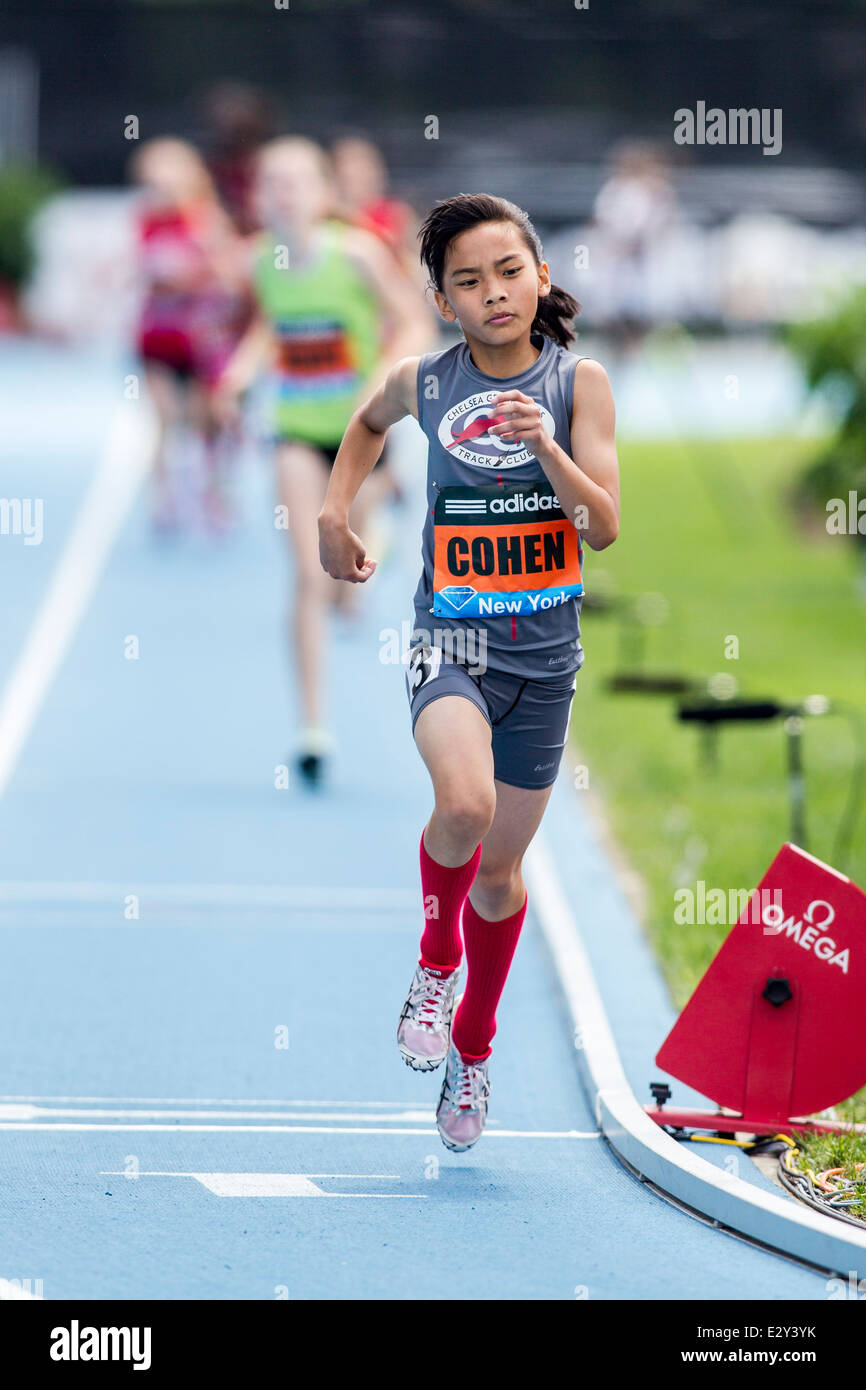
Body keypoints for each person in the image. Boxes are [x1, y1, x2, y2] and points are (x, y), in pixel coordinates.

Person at [318, 193, 620, 1151]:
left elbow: (603, 526)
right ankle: (433, 957)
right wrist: (335, 512)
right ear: (444, 302)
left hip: (546, 662)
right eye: (468, 282)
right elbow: (365, 424)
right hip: (450, 639)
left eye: (507, 273)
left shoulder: (582, 384)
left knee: (500, 873)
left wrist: (547, 449)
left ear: (539, 276)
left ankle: (475, 1047)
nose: (492, 294)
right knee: (463, 809)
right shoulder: (425, 381)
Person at [216, 137, 432, 785]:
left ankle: (372, 540)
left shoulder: (358, 253)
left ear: (322, 193)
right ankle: (313, 726)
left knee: (344, 583)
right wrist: (238, 374)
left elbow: (415, 322)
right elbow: (269, 329)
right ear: (258, 197)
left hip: (360, 432)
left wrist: (382, 384)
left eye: (296, 181)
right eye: (270, 182)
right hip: (295, 432)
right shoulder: (259, 261)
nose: (282, 193)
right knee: (308, 575)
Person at [130, 137, 250, 533]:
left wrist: (202, 270)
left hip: (198, 341)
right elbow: (138, 271)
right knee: (164, 420)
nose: (158, 191)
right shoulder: (145, 220)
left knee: (204, 421)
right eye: (152, 184)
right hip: (156, 339)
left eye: (166, 183)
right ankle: (164, 498)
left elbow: (232, 276)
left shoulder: (206, 219)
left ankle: (212, 493)